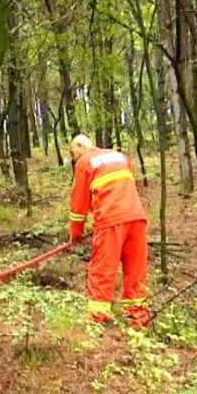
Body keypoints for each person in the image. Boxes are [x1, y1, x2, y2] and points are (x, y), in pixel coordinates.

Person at [67, 134, 150, 328]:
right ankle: (138, 320)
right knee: (136, 270)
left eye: (73, 154)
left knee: (103, 269)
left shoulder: (84, 162)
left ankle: (97, 320)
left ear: (78, 148)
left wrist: (75, 233)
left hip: (110, 220)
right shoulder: (120, 157)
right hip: (137, 218)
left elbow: (78, 204)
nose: (74, 159)